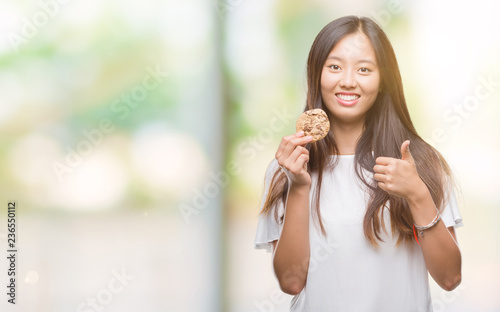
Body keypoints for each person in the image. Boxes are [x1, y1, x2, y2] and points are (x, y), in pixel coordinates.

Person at [254, 16, 463, 311]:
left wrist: (417, 194)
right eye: (335, 67)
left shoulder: (419, 164)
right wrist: (299, 187)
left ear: (383, 81)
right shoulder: (286, 168)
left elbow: (450, 277)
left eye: (364, 69)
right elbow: (291, 282)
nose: (348, 81)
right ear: (317, 75)